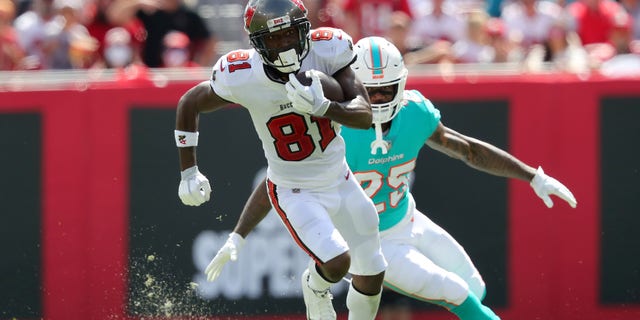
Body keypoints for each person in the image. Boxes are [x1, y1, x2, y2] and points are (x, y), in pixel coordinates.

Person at [204, 37, 578, 320]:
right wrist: (239, 233)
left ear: (403, 83)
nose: (380, 97)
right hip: (371, 241)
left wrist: (532, 176)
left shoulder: (414, 111)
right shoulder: (328, 125)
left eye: (387, 89)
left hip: (408, 218)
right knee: (457, 292)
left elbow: (464, 148)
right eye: (371, 89)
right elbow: (280, 180)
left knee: (475, 288)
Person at [173, 0, 387, 319]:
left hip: (340, 178)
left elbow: (364, 116)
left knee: (372, 270)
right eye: (273, 39)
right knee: (337, 260)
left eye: (290, 35)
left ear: (305, 30)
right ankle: (314, 286)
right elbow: (190, 101)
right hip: (294, 189)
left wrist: (324, 108)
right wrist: (188, 170)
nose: (284, 45)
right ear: (257, 44)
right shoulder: (241, 74)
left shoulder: (328, 50)